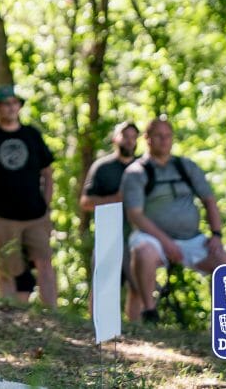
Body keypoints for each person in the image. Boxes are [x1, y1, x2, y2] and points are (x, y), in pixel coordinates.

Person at [120, 117, 226, 323]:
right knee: (143, 252)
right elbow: (135, 215)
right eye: (158, 136)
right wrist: (166, 242)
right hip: (152, 237)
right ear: (147, 139)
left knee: (225, 263)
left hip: (191, 238)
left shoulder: (186, 167)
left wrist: (216, 235)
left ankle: (225, 324)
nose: (164, 141)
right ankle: (149, 312)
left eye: (168, 136)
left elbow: (209, 201)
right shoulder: (136, 172)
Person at [0, 84, 57, 308]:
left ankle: (53, 314)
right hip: (2, 217)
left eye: (14, 103)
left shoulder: (32, 135)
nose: (10, 107)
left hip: (36, 214)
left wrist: (46, 205)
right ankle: (9, 315)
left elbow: (47, 173)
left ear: (19, 106)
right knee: (8, 268)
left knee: (45, 262)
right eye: (5, 104)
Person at [79, 121, 143, 319]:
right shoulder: (102, 167)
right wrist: (114, 199)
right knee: (103, 285)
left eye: (134, 137)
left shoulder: (144, 167)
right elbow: (85, 202)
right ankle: (98, 331)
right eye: (125, 136)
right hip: (109, 233)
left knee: (139, 286)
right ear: (115, 139)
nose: (130, 141)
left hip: (138, 234)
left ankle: (136, 332)